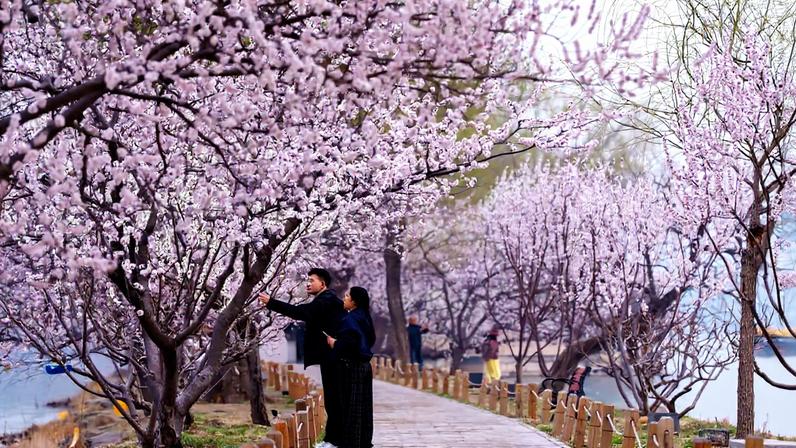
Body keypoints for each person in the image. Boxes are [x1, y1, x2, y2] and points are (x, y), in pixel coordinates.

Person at [259, 268, 345, 447]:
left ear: (323, 283)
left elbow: (300, 312)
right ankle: (333, 439)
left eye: (312, 280)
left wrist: (271, 303)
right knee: (333, 399)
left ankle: (335, 441)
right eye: (308, 280)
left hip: (334, 356)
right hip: (332, 356)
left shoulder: (326, 301)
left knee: (334, 400)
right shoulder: (325, 300)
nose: (308, 283)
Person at [326, 287, 375, 448]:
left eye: (347, 296)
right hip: (365, 366)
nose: (344, 298)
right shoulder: (365, 317)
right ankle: (363, 442)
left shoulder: (350, 319)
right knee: (364, 408)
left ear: (354, 301)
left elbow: (349, 344)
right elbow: (371, 340)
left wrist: (335, 343)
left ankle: (351, 443)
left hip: (351, 367)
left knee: (350, 407)